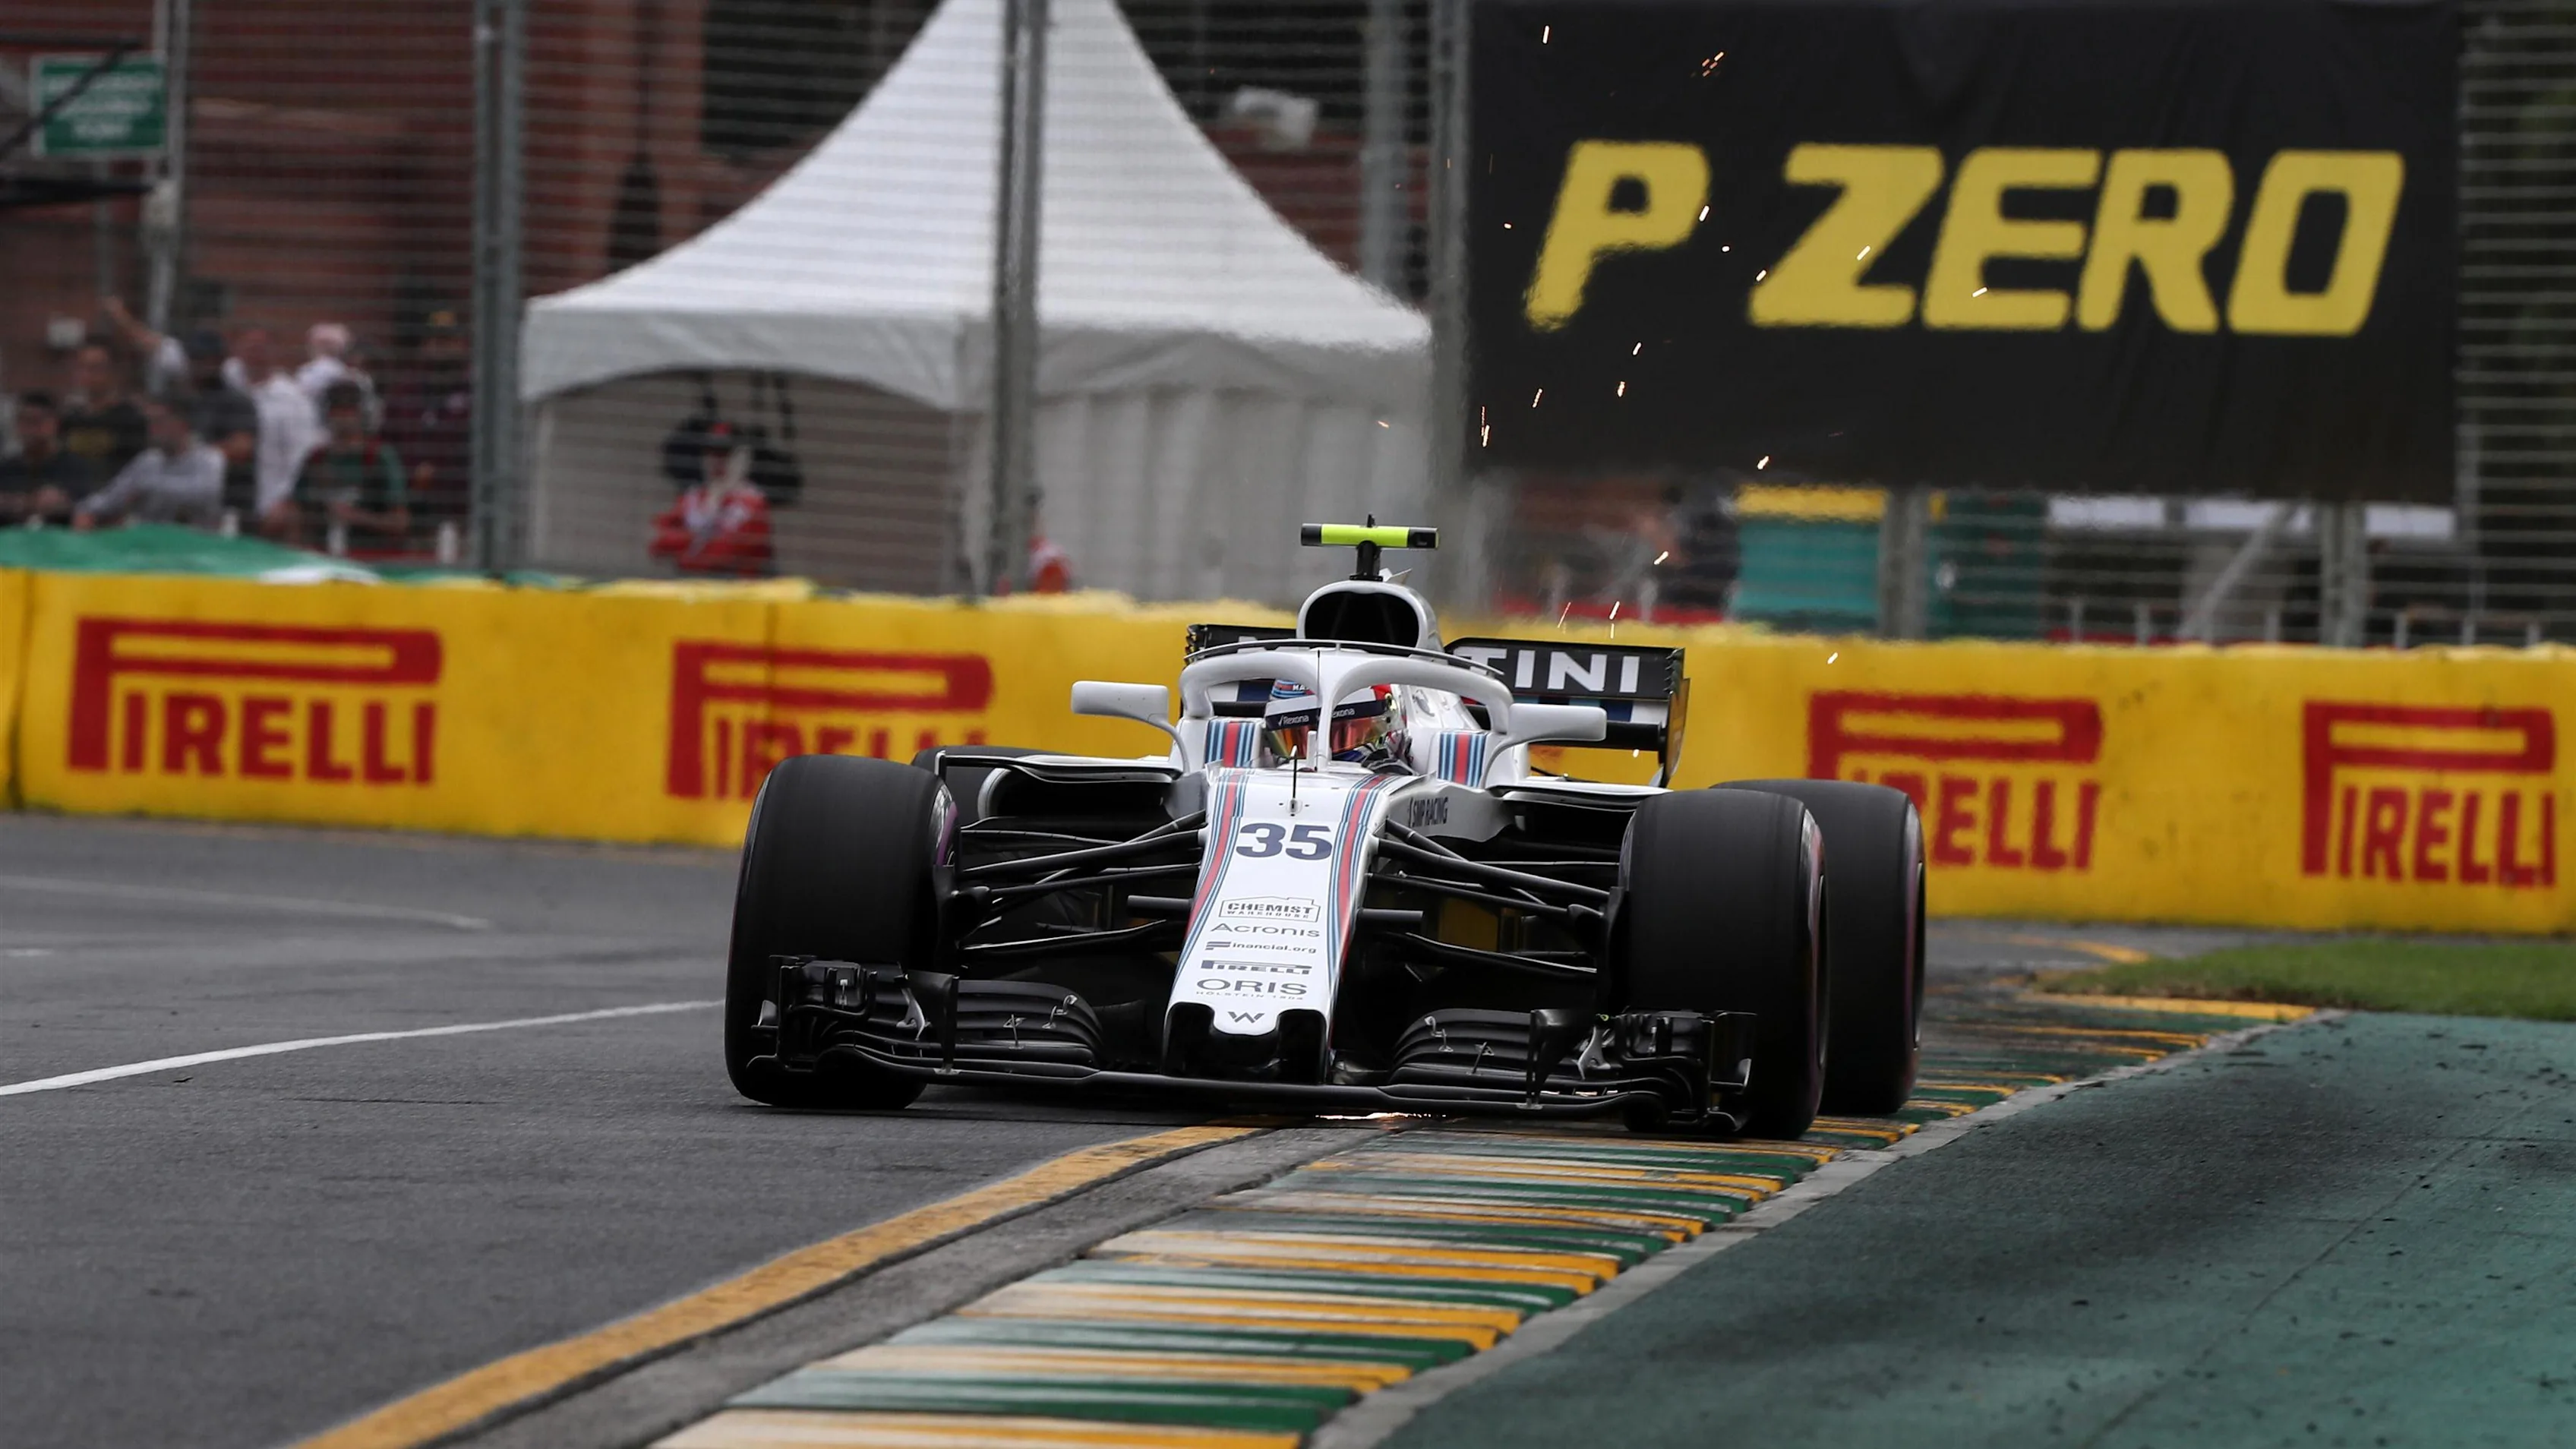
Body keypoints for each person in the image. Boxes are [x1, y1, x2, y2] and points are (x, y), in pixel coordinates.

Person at [272, 380, 409, 549]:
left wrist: (355, 517)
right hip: (319, 558)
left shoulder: (379, 458)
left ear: (362, 413)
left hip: (370, 557)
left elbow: (399, 522)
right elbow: (295, 511)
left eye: (350, 409)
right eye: (336, 409)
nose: (343, 416)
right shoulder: (316, 458)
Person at [73, 397, 223, 529]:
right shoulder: (147, 461)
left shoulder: (209, 458)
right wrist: (86, 509)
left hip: (197, 545)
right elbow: (112, 496)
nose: (152, 429)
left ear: (182, 424)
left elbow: (207, 492)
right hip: (149, 546)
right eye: (150, 422)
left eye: (159, 422)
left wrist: (147, 486)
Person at [380, 308, 471, 525]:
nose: (440, 348)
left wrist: (439, 471)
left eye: (447, 341)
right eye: (435, 341)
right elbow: (386, 442)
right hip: (410, 507)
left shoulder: (476, 392)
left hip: (461, 508)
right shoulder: (405, 391)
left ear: (461, 344)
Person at [649, 421, 773, 576]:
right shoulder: (692, 497)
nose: (716, 460)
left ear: (741, 458)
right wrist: (710, 507)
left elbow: (726, 556)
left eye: (724, 453)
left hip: (736, 594)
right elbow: (658, 544)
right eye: (710, 452)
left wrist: (688, 545)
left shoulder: (754, 501)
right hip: (693, 592)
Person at [227, 327, 323, 519]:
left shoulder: (293, 399)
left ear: (274, 352)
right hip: (228, 505)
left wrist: (285, 501)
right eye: (249, 348)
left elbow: (301, 455)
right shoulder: (228, 388)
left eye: (261, 348)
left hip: (270, 503)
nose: (254, 355)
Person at [0, 391, 96, 524]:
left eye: (37, 421)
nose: (30, 429)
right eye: (24, 421)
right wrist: (29, 502)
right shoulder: (6, 468)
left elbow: (85, 506)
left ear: (55, 423)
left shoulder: (75, 468)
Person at [59, 342, 149, 477]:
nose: (86, 374)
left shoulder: (130, 420)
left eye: (94, 368)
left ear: (113, 371)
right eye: (81, 367)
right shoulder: (70, 418)